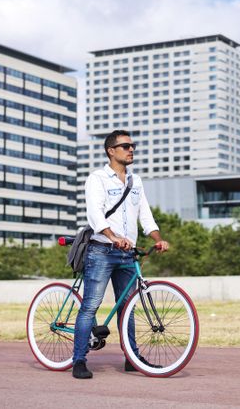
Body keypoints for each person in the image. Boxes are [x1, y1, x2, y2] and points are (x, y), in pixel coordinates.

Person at [72, 129, 169, 379]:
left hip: (127, 255)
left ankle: (132, 358)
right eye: (125, 146)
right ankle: (79, 360)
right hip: (102, 250)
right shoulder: (98, 178)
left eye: (132, 145)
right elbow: (95, 214)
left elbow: (145, 216)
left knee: (128, 307)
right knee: (90, 306)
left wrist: (158, 239)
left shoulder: (135, 182)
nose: (131, 149)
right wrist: (114, 237)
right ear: (111, 151)